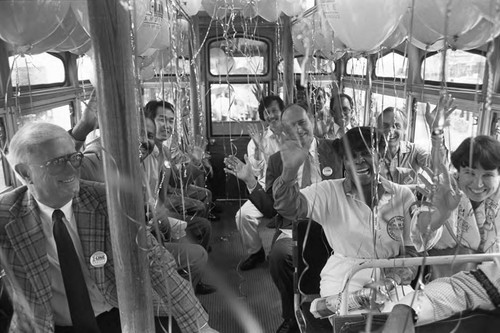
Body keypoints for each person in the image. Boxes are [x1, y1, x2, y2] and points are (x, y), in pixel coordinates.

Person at [0, 122, 217, 332]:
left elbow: (156, 262)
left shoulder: (106, 200)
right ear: (26, 173)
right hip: (49, 325)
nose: (72, 170)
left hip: (115, 311)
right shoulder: (6, 216)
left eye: (75, 158)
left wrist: (201, 326)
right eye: (57, 163)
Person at [226, 103, 343, 333]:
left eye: (302, 122)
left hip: (333, 225)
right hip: (293, 229)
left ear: (312, 120)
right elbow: (270, 210)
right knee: (279, 256)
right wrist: (251, 180)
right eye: (291, 127)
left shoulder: (336, 150)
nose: (299, 130)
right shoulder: (278, 161)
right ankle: (291, 315)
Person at [273, 126, 418, 306]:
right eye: (351, 157)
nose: (358, 161)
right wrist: (289, 173)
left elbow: (413, 251)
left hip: (391, 274)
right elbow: (289, 208)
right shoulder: (329, 191)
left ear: (381, 156)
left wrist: (392, 279)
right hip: (344, 273)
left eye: (366, 153)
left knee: (406, 317)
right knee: (352, 322)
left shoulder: (403, 196)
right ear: (344, 162)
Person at [78, 115, 215, 295]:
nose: (143, 142)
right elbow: (73, 170)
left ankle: (187, 288)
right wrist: (82, 129)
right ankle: (179, 297)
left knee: (201, 219)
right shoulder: (98, 158)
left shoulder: (158, 154)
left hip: (151, 222)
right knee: (198, 250)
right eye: (136, 136)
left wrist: (194, 162)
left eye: (148, 136)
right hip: (122, 247)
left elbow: (174, 184)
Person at [411, 135, 500, 279]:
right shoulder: (444, 188)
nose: (478, 184)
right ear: (458, 171)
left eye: (488, 175)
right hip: (445, 277)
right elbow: (421, 228)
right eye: (470, 173)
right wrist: (439, 218)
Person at [228, 96, 283, 271]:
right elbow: (257, 172)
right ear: (262, 118)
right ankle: (256, 252)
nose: (271, 115)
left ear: (282, 112)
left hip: (289, 189)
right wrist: (260, 149)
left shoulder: (293, 137)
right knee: (242, 216)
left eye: (274, 110)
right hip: (265, 190)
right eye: (267, 113)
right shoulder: (256, 141)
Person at [144, 100, 214, 219]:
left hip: (168, 191)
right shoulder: (145, 150)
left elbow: (176, 181)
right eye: (162, 119)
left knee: (206, 194)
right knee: (200, 209)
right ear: (149, 122)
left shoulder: (164, 150)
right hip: (154, 200)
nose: (167, 126)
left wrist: (195, 162)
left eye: (171, 121)